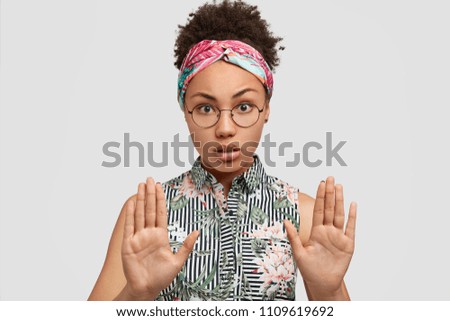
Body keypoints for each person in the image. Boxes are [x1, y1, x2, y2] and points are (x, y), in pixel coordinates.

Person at [88, 0, 357, 301]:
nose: (225, 128)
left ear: (266, 107)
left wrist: (328, 290)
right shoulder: (144, 216)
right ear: (185, 111)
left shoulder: (303, 215)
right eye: (205, 107)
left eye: (243, 106)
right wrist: (137, 293)